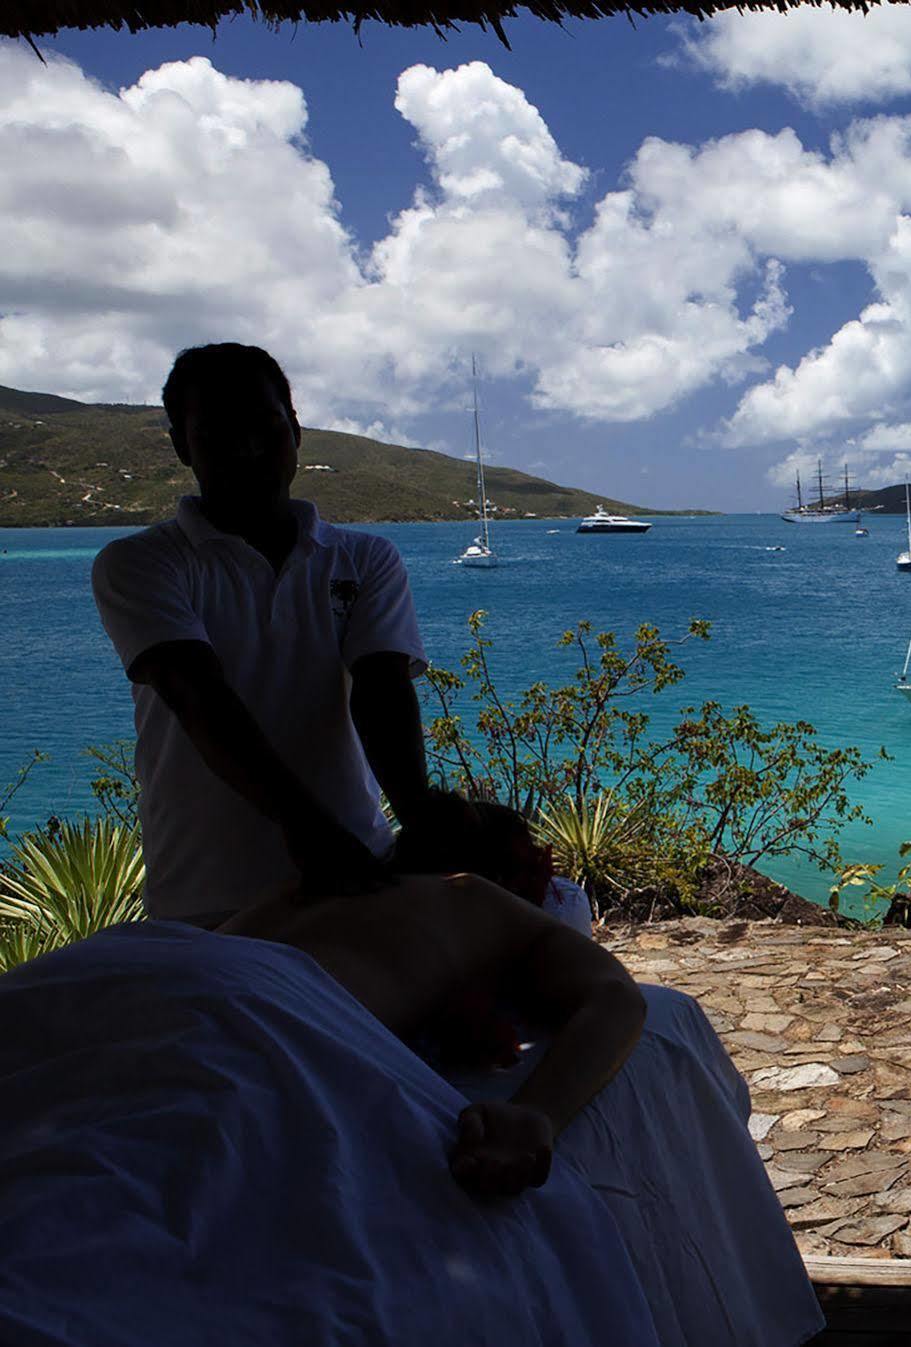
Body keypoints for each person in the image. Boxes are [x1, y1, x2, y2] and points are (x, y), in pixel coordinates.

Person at [91, 343, 463, 922]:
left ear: (295, 430)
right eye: (218, 433)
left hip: (356, 880)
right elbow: (197, 696)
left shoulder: (363, 558)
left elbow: (382, 689)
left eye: (266, 428)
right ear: (180, 445)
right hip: (207, 900)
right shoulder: (141, 563)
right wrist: (310, 831)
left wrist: (419, 820)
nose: (248, 450)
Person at [218, 866, 647, 1198]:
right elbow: (618, 997)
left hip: (173, 964)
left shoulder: (300, 889)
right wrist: (538, 1112)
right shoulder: (474, 896)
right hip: (263, 1023)